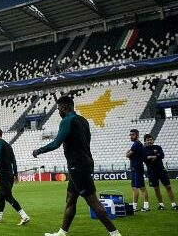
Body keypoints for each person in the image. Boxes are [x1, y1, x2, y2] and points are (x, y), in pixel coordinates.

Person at [32, 95, 121, 236]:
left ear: (64, 107)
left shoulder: (67, 121)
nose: (58, 112)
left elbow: (56, 143)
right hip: (84, 162)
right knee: (70, 200)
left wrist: (39, 150)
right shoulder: (83, 120)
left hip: (77, 165)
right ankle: (62, 232)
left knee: (92, 201)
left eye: (58, 108)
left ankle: (115, 233)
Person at [0, 127, 30, 225]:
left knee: (8, 196)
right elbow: (14, 161)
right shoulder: (8, 145)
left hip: (3, 174)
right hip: (9, 174)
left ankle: (24, 216)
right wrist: (16, 174)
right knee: (0, 195)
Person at [143, 134, 178, 211]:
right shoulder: (143, 149)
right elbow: (145, 158)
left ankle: (174, 205)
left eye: (150, 139)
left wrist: (151, 156)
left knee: (168, 187)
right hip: (151, 171)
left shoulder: (158, 147)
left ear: (153, 140)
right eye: (147, 140)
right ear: (145, 141)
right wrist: (155, 155)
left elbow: (162, 155)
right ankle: (161, 205)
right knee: (156, 188)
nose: (149, 141)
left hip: (161, 170)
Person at [127, 129, 150, 211]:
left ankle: (145, 206)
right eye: (130, 135)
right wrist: (129, 154)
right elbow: (129, 154)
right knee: (134, 187)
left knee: (141, 188)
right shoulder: (136, 144)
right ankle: (134, 206)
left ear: (137, 135)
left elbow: (128, 154)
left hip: (137, 168)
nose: (131, 136)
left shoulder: (136, 144)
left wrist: (128, 154)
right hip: (135, 168)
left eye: (132, 134)